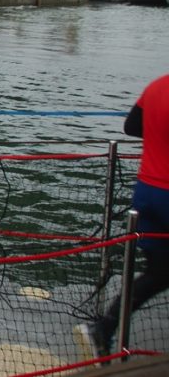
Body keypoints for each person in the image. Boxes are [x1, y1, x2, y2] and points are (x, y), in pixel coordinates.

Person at [77, 74, 169, 358]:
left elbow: (131, 126)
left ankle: (104, 329)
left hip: (146, 191)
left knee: (160, 272)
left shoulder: (157, 86)